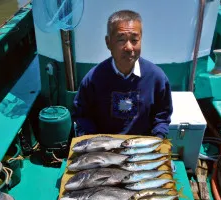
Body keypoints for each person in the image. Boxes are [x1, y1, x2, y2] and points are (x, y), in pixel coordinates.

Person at [72, 10, 173, 138]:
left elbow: (162, 115)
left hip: (141, 146)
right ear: (108, 42)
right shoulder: (93, 79)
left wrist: (157, 138)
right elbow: (82, 115)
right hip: (105, 147)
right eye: (121, 40)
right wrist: (94, 143)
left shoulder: (156, 77)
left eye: (134, 40)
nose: (129, 47)